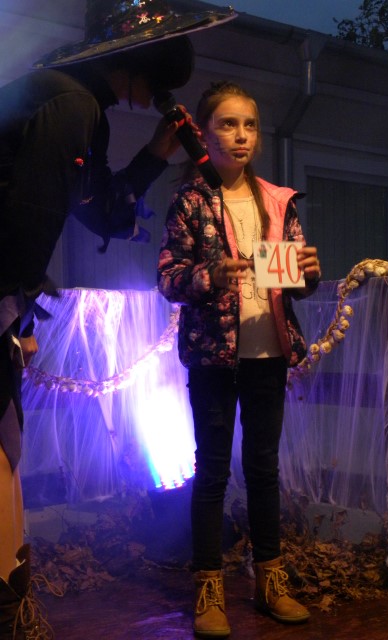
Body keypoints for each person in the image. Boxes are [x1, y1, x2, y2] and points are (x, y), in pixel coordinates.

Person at [0, 1, 235, 637]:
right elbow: (27, 218)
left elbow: (98, 207)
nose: (152, 97)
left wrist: (157, 154)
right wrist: (15, 313)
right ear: (134, 65)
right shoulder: (70, 104)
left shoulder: (81, 106)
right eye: (155, 83)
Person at [157, 81, 321, 638]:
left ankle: (270, 581)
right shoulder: (191, 200)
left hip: (268, 352)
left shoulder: (277, 200)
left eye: (249, 124)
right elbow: (168, 278)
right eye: (227, 124)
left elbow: (293, 283)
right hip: (213, 356)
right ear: (205, 133)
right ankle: (209, 587)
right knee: (211, 471)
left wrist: (307, 274)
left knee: (264, 469)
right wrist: (211, 275)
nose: (241, 135)